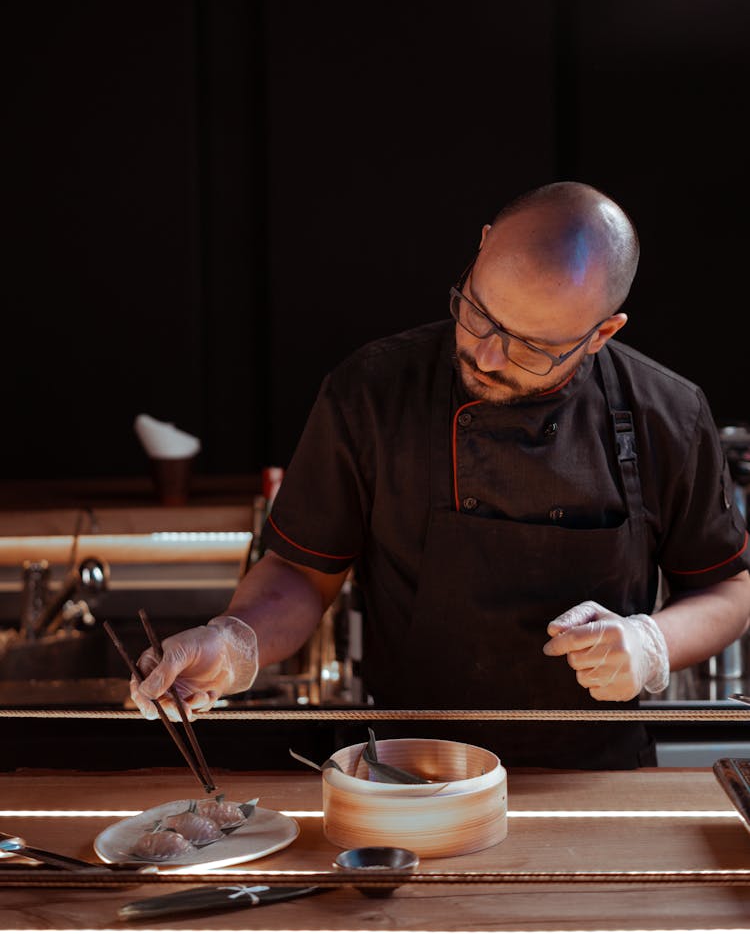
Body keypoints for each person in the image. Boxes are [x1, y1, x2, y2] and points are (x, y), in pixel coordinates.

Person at [131, 181, 750, 768]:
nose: (484, 356)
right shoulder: (371, 392)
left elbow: (730, 591)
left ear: (601, 334)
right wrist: (233, 643)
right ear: (481, 248)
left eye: (530, 347)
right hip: (410, 778)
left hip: (593, 778)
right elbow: (299, 573)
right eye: (478, 312)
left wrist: (649, 645)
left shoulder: (667, 411)